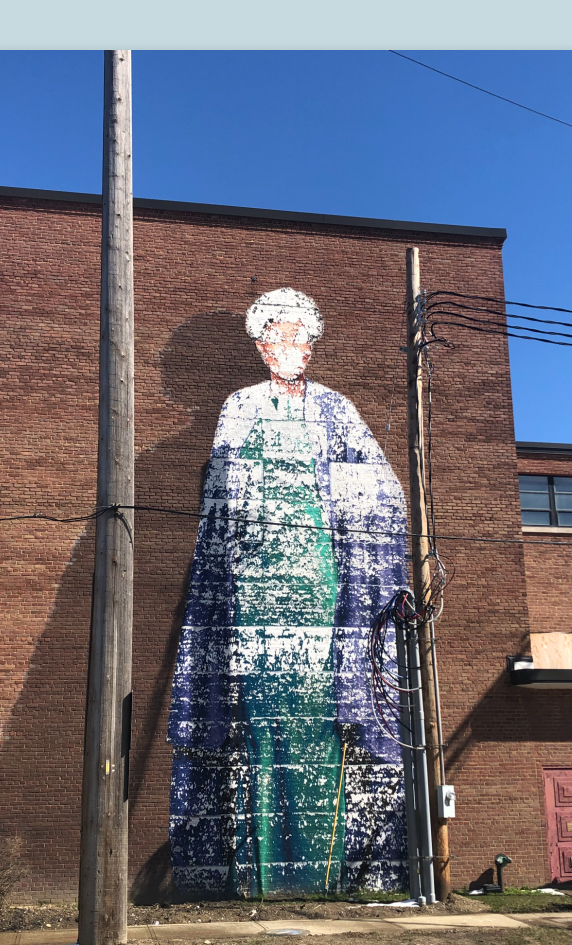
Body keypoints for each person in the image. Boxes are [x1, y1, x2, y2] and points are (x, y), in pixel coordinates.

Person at [166, 287, 409, 899]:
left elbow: (383, 491)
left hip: (321, 587)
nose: (290, 344)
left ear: (313, 343)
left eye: (300, 334)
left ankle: (323, 875)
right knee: (258, 727)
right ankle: (259, 874)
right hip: (253, 593)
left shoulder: (337, 410)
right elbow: (222, 502)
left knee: (321, 727)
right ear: (260, 344)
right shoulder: (240, 406)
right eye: (277, 334)